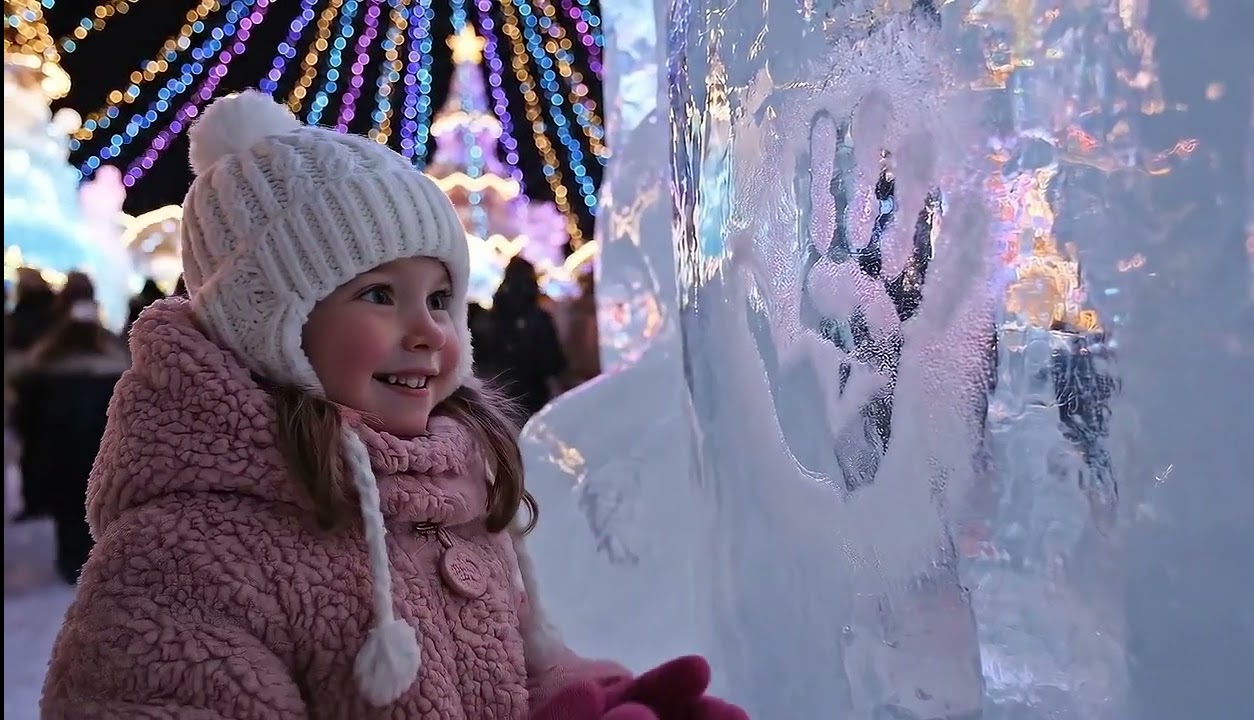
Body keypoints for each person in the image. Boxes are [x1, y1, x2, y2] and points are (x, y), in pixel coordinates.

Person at [40, 91, 744, 720]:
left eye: (440, 299)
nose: (428, 330)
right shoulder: (187, 556)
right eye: (379, 294)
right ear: (270, 324)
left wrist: (587, 700)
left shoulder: (456, 490)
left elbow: (510, 672)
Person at [10, 298, 127, 582]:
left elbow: (25, 417)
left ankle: (70, 561)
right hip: (99, 450)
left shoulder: (43, 369)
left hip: (57, 452)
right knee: (98, 507)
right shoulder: (114, 369)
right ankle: (96, 557)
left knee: (68, 511)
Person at [475, 256, 567, 422]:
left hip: (500, 391)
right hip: (533, 393)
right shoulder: (538, 317)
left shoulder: (493, 316)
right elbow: (553, 361)